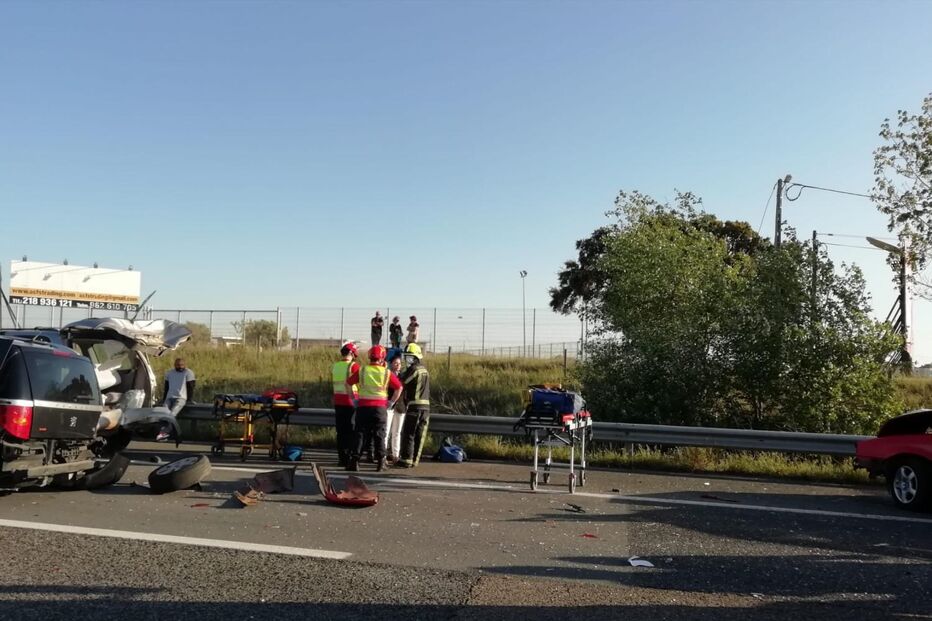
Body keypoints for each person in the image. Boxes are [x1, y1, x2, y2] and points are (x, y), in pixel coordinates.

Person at [346, 345, 402, 472]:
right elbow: (399, 387)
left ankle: (354, 461)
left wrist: (354, 399)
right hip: (380, 409)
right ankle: (381, 463)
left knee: (360, 434)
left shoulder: (362, 370)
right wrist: (391, 402)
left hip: (363, 407)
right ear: (382, 358)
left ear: (369, 357)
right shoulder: (386, 373)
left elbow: (348, 383)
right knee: (380, 435)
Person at [396, 342, 430, 468]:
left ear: (415, 357)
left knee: (409, 433)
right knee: (420, 435)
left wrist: (397, 374)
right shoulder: (425, 370)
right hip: (426, 408)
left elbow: (402, 382)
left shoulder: (414, 370)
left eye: (409, 357)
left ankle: (406, 459)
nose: (407, 359)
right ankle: (415, 460)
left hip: (415, 408)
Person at [331, 341, 360, 467]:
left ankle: (341, 458)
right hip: (350, 401)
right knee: (351, 431)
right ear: (352, 353)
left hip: (338, 401)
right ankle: (349, 458)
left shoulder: (335, 366)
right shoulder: (353, 366)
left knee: (341, 432)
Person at [160, 358, 195, 442]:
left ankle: (164, 433)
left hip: (181, 398)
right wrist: (164, 399)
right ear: (174, 365)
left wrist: (189, 399)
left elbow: (191, 387)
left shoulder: (188, 373)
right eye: (178, 365)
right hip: (169, 397)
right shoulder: (169, 373)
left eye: (181, 365)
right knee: (163, 414)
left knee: (171, 415)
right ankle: (167, 433)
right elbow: (166, 387)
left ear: (185, 365)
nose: (180, 367)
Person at [383, 353, 405, 463]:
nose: (398, 365)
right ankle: (384, 455)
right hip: (389, 406)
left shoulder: (403, 376)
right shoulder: (387, 375)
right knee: (386, 431)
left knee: (397, 432)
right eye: (395, 363)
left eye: (399, 363)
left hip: (400, 407)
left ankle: (396, 455)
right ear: (390, 364)